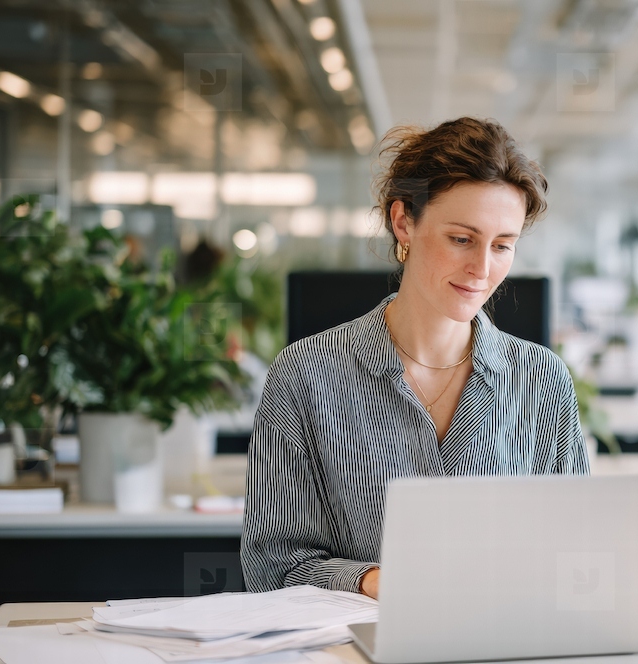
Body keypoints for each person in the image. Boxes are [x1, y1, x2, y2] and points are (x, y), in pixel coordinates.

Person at [241, 118, 588, 599]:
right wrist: (373, 581)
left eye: (503, 246)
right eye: (461, 239)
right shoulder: (305, 376)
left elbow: (578, 547)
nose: (482, 269)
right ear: (403, 221)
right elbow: (272, 566)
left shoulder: (541, 379)